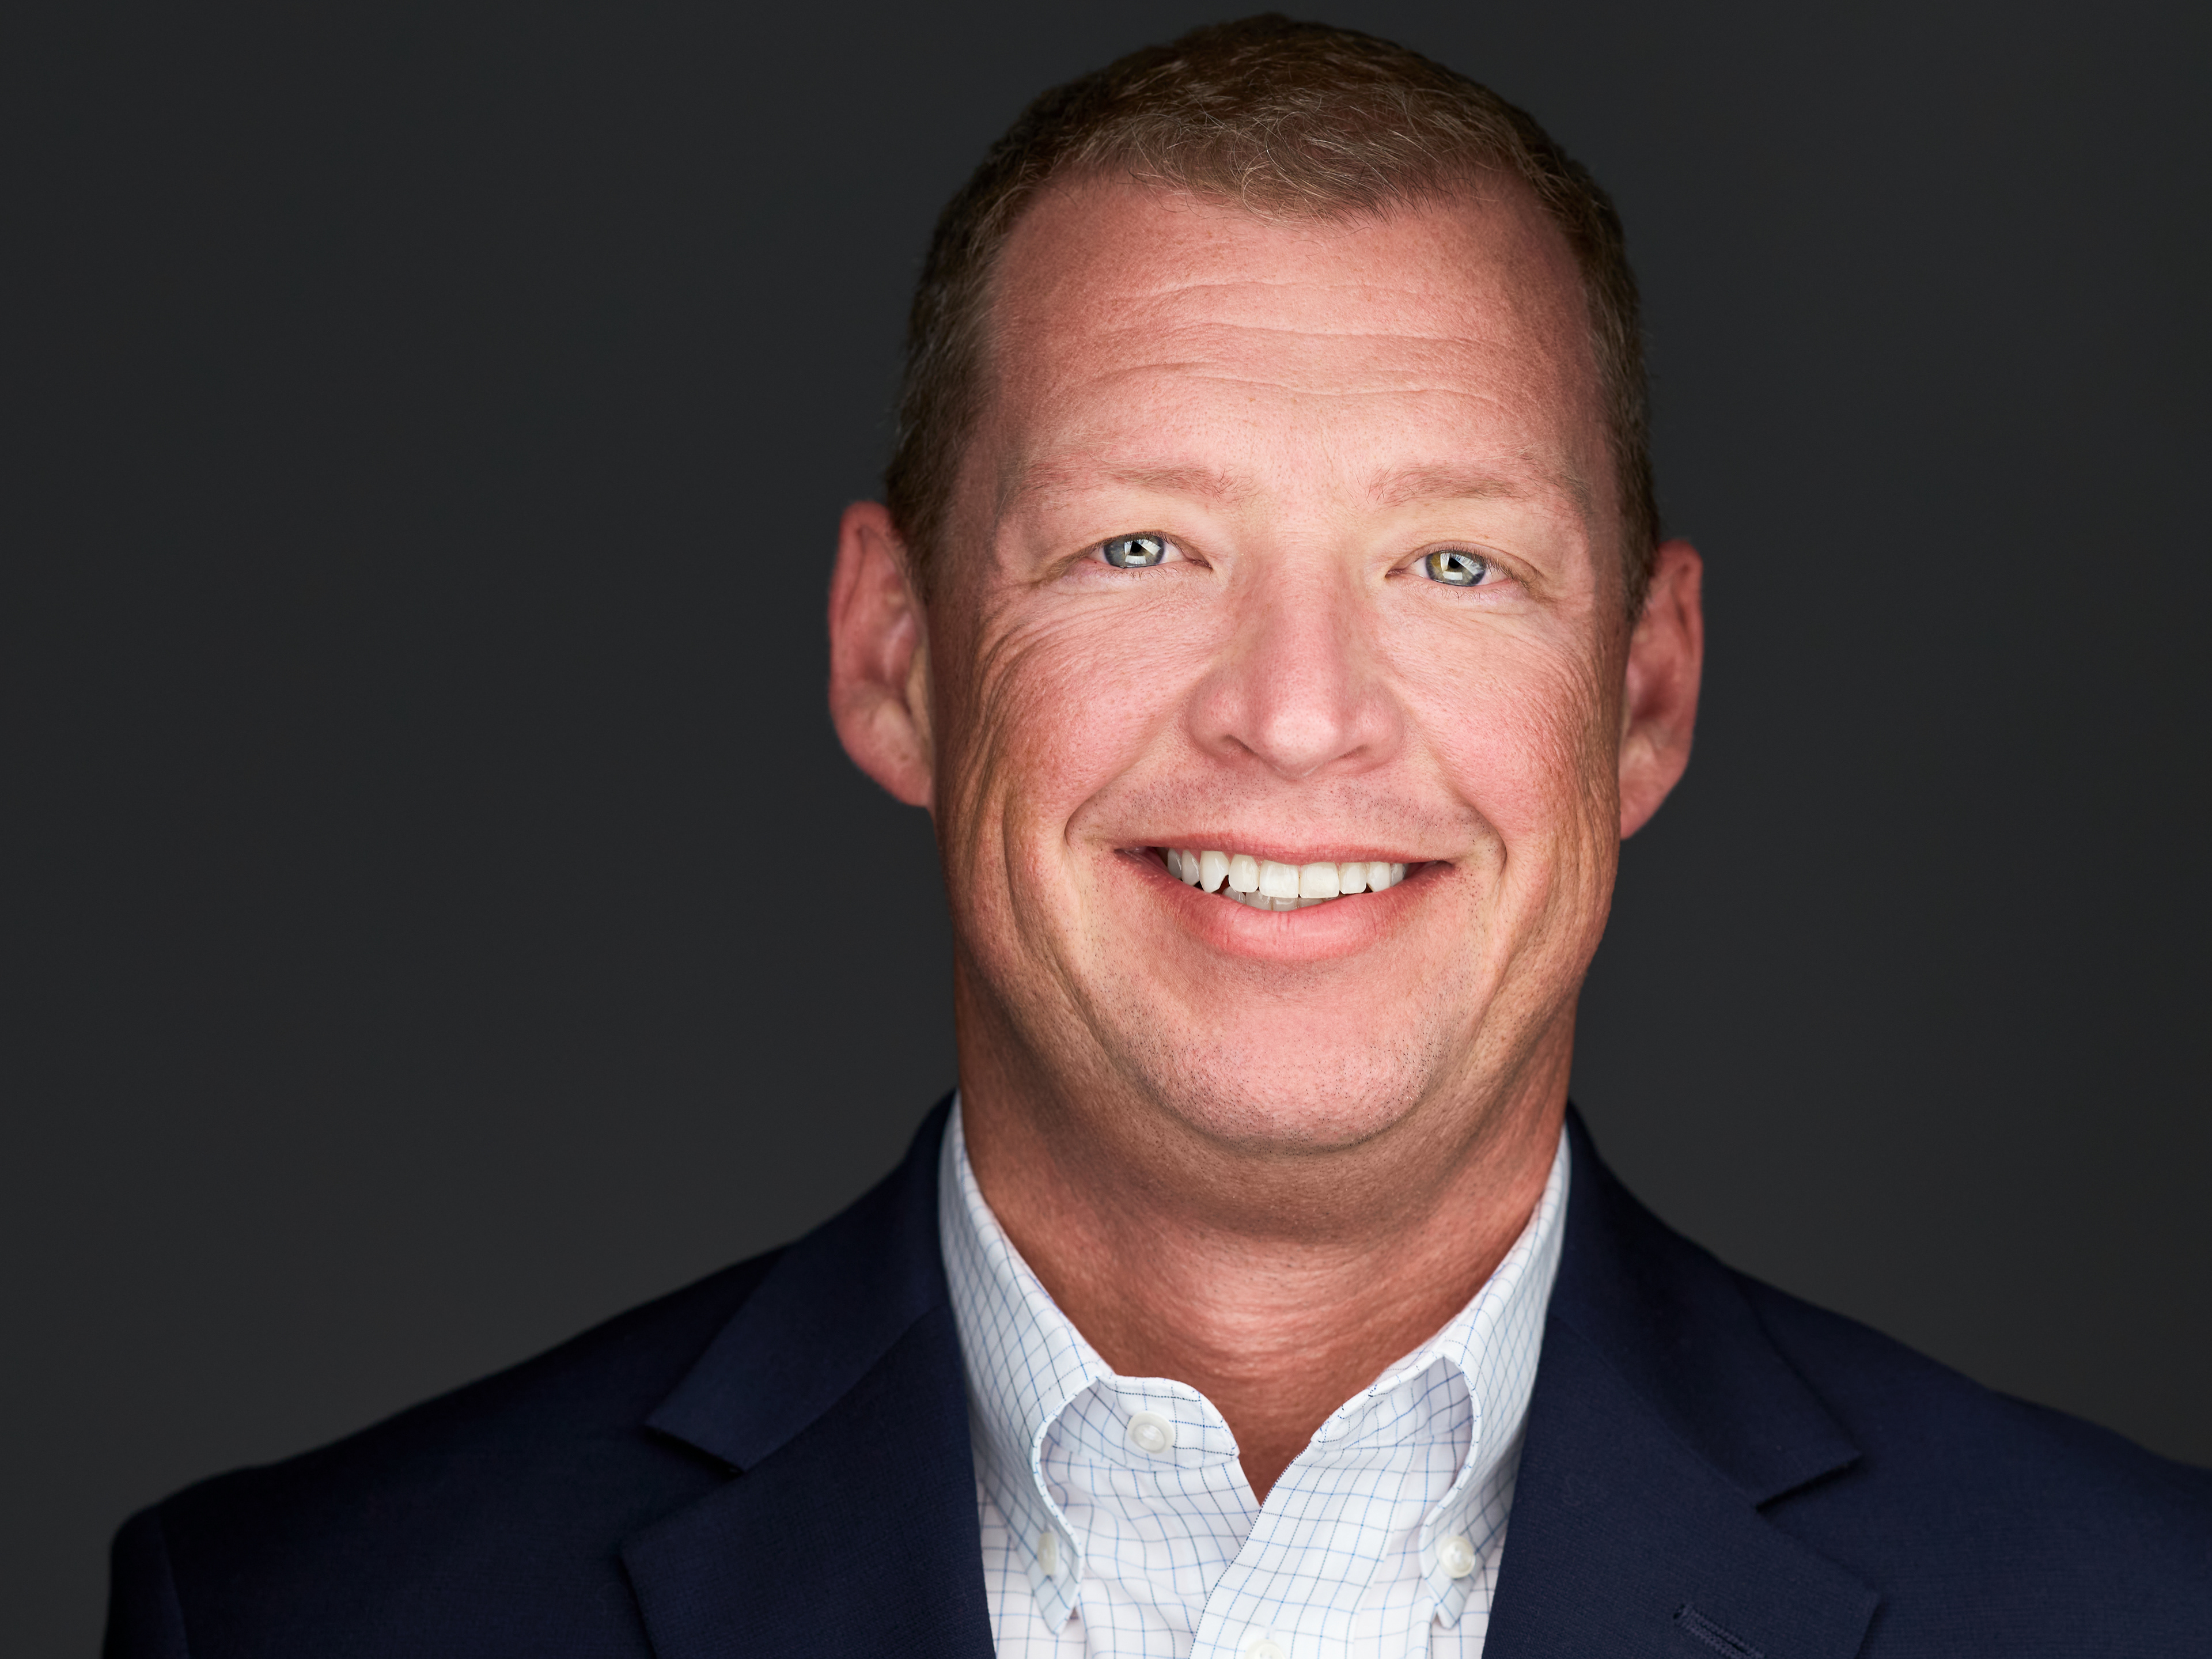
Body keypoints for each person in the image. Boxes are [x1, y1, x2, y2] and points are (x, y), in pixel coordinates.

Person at [104, 17, 2210, 1658]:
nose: (1294, 714)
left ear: (1643, 694)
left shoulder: (2142, 1616)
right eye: (1139, 547)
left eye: (1454, 564)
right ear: (897, 658)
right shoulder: (305, 1621)